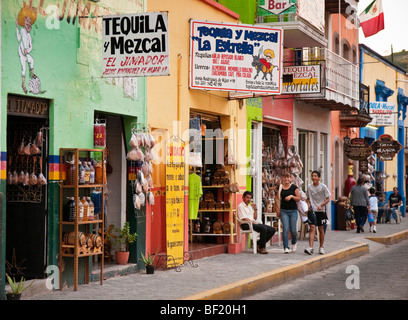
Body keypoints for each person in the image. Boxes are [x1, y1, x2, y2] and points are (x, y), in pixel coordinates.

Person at [304, 170, 331, 255]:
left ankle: (321, 247)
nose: (314, 177)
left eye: (315, 176)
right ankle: (311, 247)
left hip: (321, 211)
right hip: (312, 210)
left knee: (321, 229)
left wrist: (321, 205)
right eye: (312, 176)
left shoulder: (323, 187)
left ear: (319, 178)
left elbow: (328, 199)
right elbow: (307, 198)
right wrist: (308, 205)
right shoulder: (309, 187)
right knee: (312, 228)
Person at [275, 172, 301, 253]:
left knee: (293, 230)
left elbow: (298, 198)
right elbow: (277, 199)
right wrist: (277, 209)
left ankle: (294, 242)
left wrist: (291, 196)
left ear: (291, 179)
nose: (286, 179)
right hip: (284, 211)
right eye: (284, 177)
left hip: (293, 211)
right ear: (282, 179)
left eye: (288, 177)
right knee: (285, 229)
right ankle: (286, 247)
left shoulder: (294, 187)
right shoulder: (280, 187)